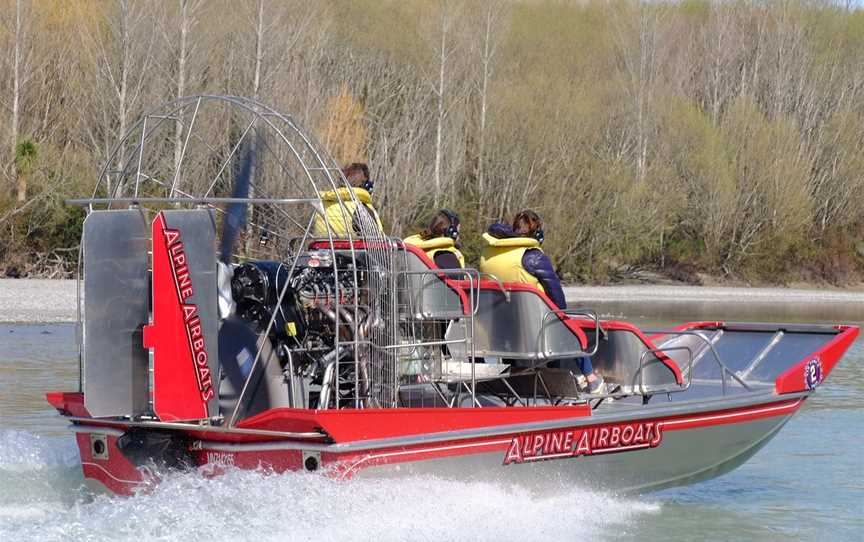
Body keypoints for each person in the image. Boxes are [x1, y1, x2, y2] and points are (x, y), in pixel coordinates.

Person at [479, 210, 606, 394]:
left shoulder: (489, 254)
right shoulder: (533, 256)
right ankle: (591, 379)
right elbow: (558, 301)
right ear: (536, 233)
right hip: (533, 328)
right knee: (570, 330)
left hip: (499, 330)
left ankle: (519, 380)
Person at [312, 162, 384, 238]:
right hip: (352, 248)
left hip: (323, 248)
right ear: (364, 185)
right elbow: (375, 241)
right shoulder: (362, 208)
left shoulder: (322, 204)